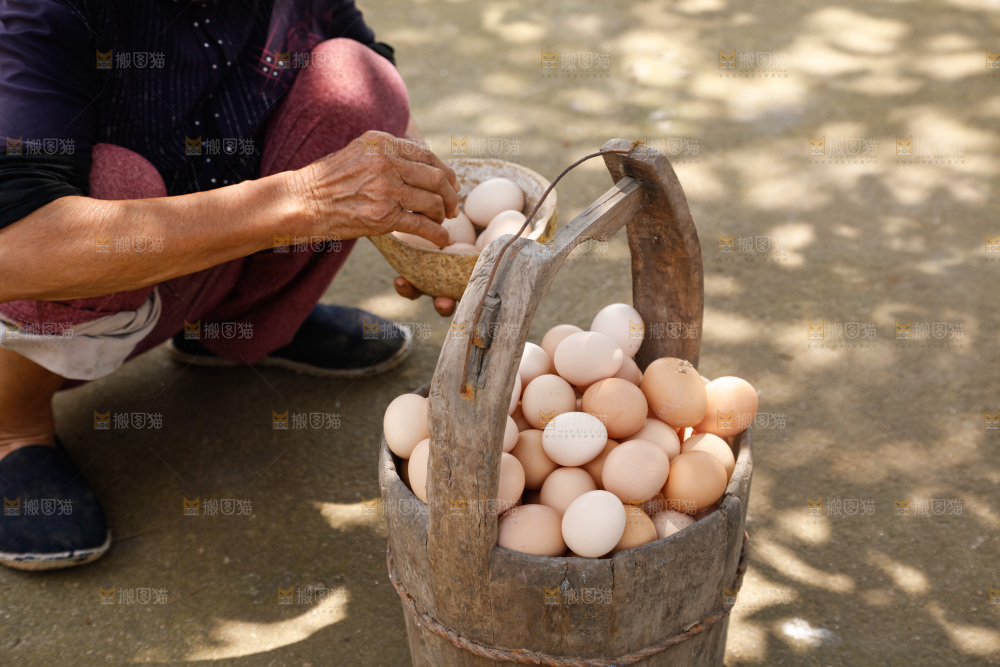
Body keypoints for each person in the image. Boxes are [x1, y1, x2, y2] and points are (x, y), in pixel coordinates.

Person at [0, 0, 459, 570]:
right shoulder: (42, 11)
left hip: (204, 238)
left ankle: (236, 328)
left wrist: (433, 227)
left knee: (359, 81)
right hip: (59, 294)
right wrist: (307, 199)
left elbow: (367, 63)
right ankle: (14, 427)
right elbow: (17, 250)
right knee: (117, 184)